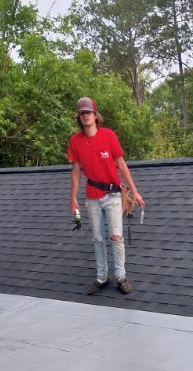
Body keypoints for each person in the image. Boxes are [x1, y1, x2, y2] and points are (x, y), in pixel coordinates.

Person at [68, 97, 145, 295]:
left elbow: (122, 164)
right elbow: (76, 172)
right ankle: (102, 277)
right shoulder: (75, 141)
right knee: (97, 239)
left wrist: (134, 191)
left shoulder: (108, 136)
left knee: (116, 237)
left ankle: (121, 277)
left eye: (88, 112)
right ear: (79, 117)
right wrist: (73, 198)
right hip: (92, 197)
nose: (85, 115)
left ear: (95, 115)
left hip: (112, 195)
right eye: (82, 113)